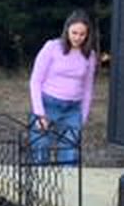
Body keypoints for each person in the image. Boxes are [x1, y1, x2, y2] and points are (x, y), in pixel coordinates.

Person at [29, 9, 98, 164]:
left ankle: (68, 187)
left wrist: (82, 117)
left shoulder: (90, 55)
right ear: (67, 30)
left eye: (82, 34)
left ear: (88, 35)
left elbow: (88, 89)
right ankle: (40, 187)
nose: (78, 38)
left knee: (71, 154)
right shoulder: (52, 47)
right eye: (74, 33)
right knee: (40, 151)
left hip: (73, 110)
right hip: (48, 105)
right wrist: (40, 114)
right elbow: (35, 81)